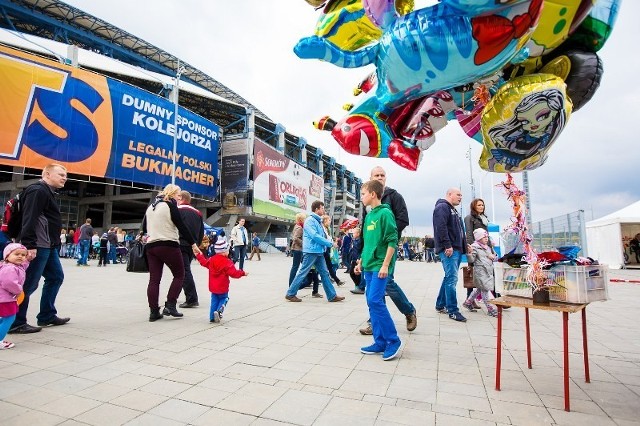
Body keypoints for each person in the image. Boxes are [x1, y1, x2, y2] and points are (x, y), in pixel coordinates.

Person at [9, 163, 70, 334]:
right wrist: (29, 245)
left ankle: (47, 315)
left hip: (48, 246)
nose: (64, 178)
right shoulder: (38, 190)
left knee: (56, 277)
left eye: (65, 175)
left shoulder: (47, 192)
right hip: (38, 246)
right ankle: (15, 322)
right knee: (28, 284)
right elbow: (29, 217)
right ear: (47, 174)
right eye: (60, 174)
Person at [359, 166, 417, 335]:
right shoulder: (367, 200)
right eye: (376, 175)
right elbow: (365, 227)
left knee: (387, 283)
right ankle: (374, 322)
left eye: (382, 175)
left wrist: (384, 234)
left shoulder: (394, 196)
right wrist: (361, 251)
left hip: (386, 250)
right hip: (371, 252)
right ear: (370, 178)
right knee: (372, 290)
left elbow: (403, 219)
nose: (379, 177)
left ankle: (408, 311)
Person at [354, 179, 402, 361]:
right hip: (369, 265)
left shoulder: (385, 214)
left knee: (375, 300)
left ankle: (393, 340)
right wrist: (361, 262)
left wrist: (385, 265)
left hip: (381, 266)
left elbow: (392, 240)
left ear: (373, 194)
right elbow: (367, 243)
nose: (361, 198)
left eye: (363, 194)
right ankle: (379, 341)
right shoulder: (369, 216)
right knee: (371, 301)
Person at [142, 184, 199, 322]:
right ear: (172, 193)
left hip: (151, 246)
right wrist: (193, 244)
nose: (179, 197)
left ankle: (154, 312)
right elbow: (182, 226)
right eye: (178, 194)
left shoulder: (151, 207)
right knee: (180, 275)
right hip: (168, 244)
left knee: (154, 280)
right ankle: (171, 305)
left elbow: (144, 227)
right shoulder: (170, 205)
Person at [286, 201, 344, 303]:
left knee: (325, 273)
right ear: (316, 209)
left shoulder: (318, 221)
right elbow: (315, 236)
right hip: (311, 251)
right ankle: (290, 293)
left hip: (318, 251)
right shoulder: (310, 221)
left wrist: (330, 241)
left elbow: (323, 235)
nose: (324, 210)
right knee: (303, 272)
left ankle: (332, 295)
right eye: (322, 208)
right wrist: (330, 244)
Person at [433, 187, 470, 322]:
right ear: (449, 194)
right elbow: (441, 227)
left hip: (457, 248)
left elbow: (458, 231)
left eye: (461, 195)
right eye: (458, 194)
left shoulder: (453, 210)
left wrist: (466, 245)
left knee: (449, 277)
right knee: (452, 279)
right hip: (450, 249)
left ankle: (440, 304)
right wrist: (447, 245)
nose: (460, 197)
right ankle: (453, 310)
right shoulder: (443, 207)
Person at [194, 236, 247, 323]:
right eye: (227, 250)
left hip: (213, 287)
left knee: (214, 301)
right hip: (223, 286)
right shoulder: (227, 262)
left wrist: (199, 255)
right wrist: (242, 273)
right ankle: (219, 311)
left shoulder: (212, 259)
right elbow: (234, 273)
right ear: (224, 252)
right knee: (224, 298)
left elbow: (204, 263)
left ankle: (212, 317)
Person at [177, 191, 205, 309]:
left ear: (182, 198)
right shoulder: (198, 213)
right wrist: (196, 244)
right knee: (182, 271)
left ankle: (192, 298)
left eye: (178, 197)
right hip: (191, 245)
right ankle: (175, 295)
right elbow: (201, 232)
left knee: (183, 271)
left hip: (180, 243)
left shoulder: (177, 210)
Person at [463, 229, 498, 317]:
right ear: (478, 238)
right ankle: (490, 309)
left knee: (479, 289)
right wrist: (469, 252)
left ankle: (468, 302)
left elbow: (496, 257)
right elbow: (471, 260)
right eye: (484, 237)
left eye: (487, 237)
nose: (486, 239)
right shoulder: (475, 247)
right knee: (485, 290)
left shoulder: (488, 247)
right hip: (480, 272)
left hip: (488, 272)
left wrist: (493, 257)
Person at [0, 244, 29, 348]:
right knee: (9, 319)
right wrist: (18, 290)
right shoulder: (10, 269)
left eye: (23, 255)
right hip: (6, 299)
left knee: (4, 318)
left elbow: (24, 265)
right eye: (17, 254)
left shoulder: (15, 266)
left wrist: (28, 258)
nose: (20, 256)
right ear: (7, 256)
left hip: (5, 298)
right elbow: (9, 283)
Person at [321, 215, 345, 286]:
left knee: (328, 266)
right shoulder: (322, 228)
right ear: (325, 221)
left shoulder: (328, 228)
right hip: (323, 249)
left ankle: (336, 280)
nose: (330, 222)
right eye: (329, 220)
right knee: (323, 267)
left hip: (327, 248)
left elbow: (329, 238)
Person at [288, 213, 306, 287]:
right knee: (296, 267)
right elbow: (295, 238)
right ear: (301, 219)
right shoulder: (299, 228)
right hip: (298, 249)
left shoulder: (297, 226)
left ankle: (294, 283)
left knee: (298, 266)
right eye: (304, 219)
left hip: (297, 249)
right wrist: (303, 243)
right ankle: (292, 284)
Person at [349, 227, 364, 294]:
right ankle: (358, 286)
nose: (353, 234)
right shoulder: (353, 240)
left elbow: (361, 250)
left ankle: (359, 287)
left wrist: (359, 258)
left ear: (358, 234)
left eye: (354, 233)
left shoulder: (360, 241)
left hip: (357, 259)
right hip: (353, 259)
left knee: (356, 273)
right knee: (351, 273)